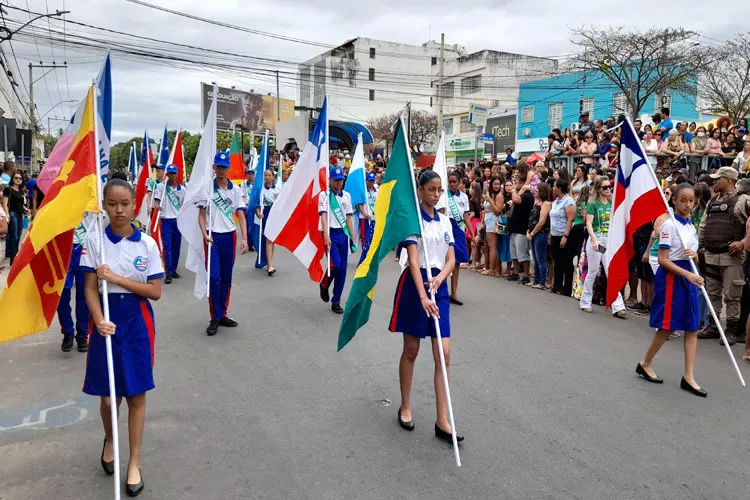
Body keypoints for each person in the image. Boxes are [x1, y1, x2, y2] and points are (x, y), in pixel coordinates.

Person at [79, 178, 164, 496]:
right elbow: (88, 288)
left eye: (124, 204)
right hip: (105, 322)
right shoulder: (94, 241)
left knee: (136, 395)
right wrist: (99, 320)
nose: (118, 210)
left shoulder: (148, 245)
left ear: (133, 205)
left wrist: (116, 277)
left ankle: (134, 464)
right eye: (112, 204)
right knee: (107, 397)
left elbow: (155, 292)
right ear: (104, 204)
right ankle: (111, 438)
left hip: (137, 323)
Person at [389, 169, 462, 444]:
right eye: (431, 189)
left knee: (443, 354)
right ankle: (405, 405)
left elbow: (452, 258)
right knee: (411, 349)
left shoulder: (445, 222)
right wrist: (422, 295)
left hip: (438, 286)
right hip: (414, 286)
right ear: (420, 190)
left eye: (439, 189)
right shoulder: (412, 221)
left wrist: (441, 279)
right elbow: (413, 259)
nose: (436, 194)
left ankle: (442, 420)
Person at [637, 183, 707, 397]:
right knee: (667, 326)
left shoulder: (690, 226)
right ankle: (645, 362)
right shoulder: (669, 225)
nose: (687, 205)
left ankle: (689, 376)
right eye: (683, 200)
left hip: (688, 276)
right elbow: (663, 259)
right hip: (672, 278)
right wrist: (687, 274)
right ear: (674, 200)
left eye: (691, 201)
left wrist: (693, 256)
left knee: (692, 326)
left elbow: (690, 252)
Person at [199, 151, 249, 336]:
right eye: (218, 167)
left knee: (226, 278)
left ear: (229, 168)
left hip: (229, 236)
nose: (221, 170)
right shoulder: (207, 189)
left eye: (224, 167)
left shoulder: (235, 190)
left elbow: (241, 216)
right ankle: (214, 316)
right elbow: (201, 215)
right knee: (214, 278)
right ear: (214, 168)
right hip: (212, 238)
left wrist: (244, 238)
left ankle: (222, 314)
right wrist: (204, 233)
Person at [697, 167, 749, 346]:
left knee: (732, 296)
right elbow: (703, 226)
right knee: (712, 294)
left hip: (731, 258)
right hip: (711, 255)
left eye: (718, 179)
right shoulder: (712, 201)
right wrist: (700, 246)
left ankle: (731, 331)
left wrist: (743, 242)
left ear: (728, 180)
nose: (714, 182)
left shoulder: (743, 201)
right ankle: (713, 326)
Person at [579, 176, 627, 318]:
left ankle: (618, 306)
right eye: (604, 187)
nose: (608, 189)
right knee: (593, 271)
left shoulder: (612, 204)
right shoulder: (593, 204)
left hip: (608, 241)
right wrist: (594, 240)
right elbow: (588, 224)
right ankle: (585, 302)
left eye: (609, 187)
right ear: (598, 189)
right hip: (597, 241)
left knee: (610, 271)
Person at [57, 213, 96, 353]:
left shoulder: (93, 197)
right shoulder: (63, 197)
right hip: (64, 249)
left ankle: (82, 334)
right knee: (61, 294)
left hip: (85, 249)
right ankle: (67, 332)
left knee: (85, 295)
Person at [319, 166, 355, 314]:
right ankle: (324, 284)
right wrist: (326, 236)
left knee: (343, 271)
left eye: (341, 180)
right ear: (330, 179)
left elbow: (348, 218)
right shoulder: (325, 195)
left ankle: (336, 301)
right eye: (336, 179)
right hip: (331, 233)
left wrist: (353, 238)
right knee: (336, 265)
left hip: (343, 234)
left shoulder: (346, 196)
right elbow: (323, 215)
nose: (339, 182)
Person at [441, 171, 474, 305]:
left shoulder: (464, 197)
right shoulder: (444, 195)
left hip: (459, 230)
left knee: (457, 263)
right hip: (447, 228)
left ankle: (453, 293)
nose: (452, 184)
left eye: (455, 182)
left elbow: (466, 216)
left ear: (460, 182)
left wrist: (472, 233)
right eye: (450, 181)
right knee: (444, 261)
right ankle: (441, 291)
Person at [152, 164, 185, 284]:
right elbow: (156, 201)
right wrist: (157, 205)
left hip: (178, 221)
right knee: (168, 246)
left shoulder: (183, 190)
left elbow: (183, 206)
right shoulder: (161, 187)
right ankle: (168, 272)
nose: (172, 176)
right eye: (169, 173)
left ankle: (174, 269)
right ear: (166, 175)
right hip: (166, 220)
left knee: (176, 246)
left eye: (174, 173)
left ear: (177, 174)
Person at [549, 178, 577, 295]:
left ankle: (567, 287)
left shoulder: (568, 201)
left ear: (559, 187)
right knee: (557, 260)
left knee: (566, 261)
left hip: (564, 234)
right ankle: (557, 284)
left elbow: (570, 219)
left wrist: (565, 236)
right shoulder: (555, 202)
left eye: (554, 186)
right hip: (555, 234)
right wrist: (550, 234)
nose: (553, 188)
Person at [507, 162, 534, 284]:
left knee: (522, 253)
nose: (516, 184)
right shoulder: (519, 193)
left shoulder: (528, 195)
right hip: (514, 227)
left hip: (522, 228)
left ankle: (526, 275)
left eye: (518, 183)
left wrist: (514, 190)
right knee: (514, 253)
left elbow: (516, 200)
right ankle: (516, 273)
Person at [254, 168, 280, 274]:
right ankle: (269, 265)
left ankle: (269, 261)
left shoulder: (278, 190)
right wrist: (258, 213)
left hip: (275, 216)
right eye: (266, 175)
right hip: (266, 216)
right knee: (269, 240)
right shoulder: (261, 190)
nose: (267, 177)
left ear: (273, 177)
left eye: (269, 175)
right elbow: (256, 204)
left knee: (272, 240)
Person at [527, 183, 552, 289]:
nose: (534, 192)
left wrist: (532, 233)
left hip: (541, 233)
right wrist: (529, 231)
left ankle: (542, 282)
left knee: (541, 259)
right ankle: (536, 280)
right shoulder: (537, 202)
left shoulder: (546, 204)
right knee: (536, 259)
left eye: (536, 190)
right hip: (533, 233)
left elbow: (542, 221)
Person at [2, 171, 28, 265]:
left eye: (20, 178)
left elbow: (21, 204)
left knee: (18, 236)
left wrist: (26, 209)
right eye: (16, 178)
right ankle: (13, 258)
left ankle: (15, 256)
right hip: (12, 214)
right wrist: (7, 214)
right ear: (12, 179)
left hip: (20, 214)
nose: (18, 180)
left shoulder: (21, 191)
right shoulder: (8, 189)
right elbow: (5, 203)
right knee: (14, 236)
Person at [482, 176, 504, 277]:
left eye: (498, 184)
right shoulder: (490, 194)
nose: (497, 186)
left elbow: (498, 211)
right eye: (495, 184)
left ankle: (492, 269)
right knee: (492, 246)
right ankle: (495, 269)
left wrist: (490, 201)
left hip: (494, 222)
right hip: (489, 221)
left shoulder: (499, 196)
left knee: (492, 246)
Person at [359, 171, 378, 265]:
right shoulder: (363, 191)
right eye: (369, 181)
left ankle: (370, 258)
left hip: (374, 218)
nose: (371, 182)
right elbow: (360, 205)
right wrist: (365, 214)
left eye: (372, 181)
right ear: (366, 181)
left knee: (373, 238)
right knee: (365, 238)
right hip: (364, 218)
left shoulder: (377, 191)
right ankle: (364, 258)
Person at [241, 167, 256, 252]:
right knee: (247, 225)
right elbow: (242, 196)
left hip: (255, 208)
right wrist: (245, 204)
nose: (250, 175)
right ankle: (247, 242)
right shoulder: (243, 184)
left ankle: (252, 242)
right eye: (248, 174)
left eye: (252, 174)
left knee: (253, 226)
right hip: (246, 208)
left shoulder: (257, 184)